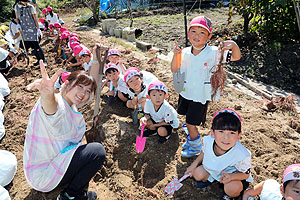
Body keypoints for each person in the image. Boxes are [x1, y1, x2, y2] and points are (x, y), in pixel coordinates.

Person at [24, 50, 106, 200]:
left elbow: (91, 83)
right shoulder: (58, 104)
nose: (83, 93)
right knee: (97, 151)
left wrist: (95, 57)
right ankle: (69, 195)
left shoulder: (71, 104)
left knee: (87, 151)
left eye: (87, 91)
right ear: (67, 84)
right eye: (79, 87)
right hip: (44, 174)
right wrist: (47, 95)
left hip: (49, 167)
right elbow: (52, 109)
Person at [170, 16, 241, 157]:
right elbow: (174, 69)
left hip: (200, 95)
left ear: (209, 36)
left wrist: (233, 45)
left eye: (202, 32)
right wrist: (175, 55)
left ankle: (196, 146)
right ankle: (192, 139)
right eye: (193, 31)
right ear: (188, 33)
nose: (197, 35)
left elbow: (235, 57)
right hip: (185, 91)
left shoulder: (214, 53)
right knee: (185, 115)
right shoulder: (183, 52)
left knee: (191, 123)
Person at [185, 109, 252, 200]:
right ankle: (212, 180)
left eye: (232, 133)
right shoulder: (208, 140)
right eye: (221, 131)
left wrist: (231, 177)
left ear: (239, 135)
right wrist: (194, 165)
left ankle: (228, 195)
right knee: (197, 174)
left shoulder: (242, 154)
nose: (226, 138)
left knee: (233, 188)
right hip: (214, 170)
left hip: (232, 176)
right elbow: (204, 152)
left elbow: (245, 174)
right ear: (212, 132)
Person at [15, 0, 47, 66]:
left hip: (32, 29)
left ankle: (43, 60)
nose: (25, 2)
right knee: (32, 47)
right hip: (24, 30)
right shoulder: (17, 7)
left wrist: (38, 29)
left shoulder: (31, 7)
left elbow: (35, 19)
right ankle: (38, 60)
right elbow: (17, 18)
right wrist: (18, 24)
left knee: (36, 46)